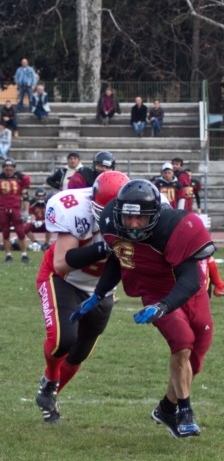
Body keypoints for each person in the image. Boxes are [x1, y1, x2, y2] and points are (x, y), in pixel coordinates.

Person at [73, 179, 215, 438]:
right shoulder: (111, 222)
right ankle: (185, 412)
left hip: (187, 293)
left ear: (155, 215)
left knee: (196, 359)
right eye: (128, 217)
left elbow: (191, 279)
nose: (133, 224)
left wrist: (165, 306)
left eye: (140, 218)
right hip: (153, 292)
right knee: (183, 344)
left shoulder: (174, 227)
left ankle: (166, 409)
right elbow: (120, 258)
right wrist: (99, 294)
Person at [33, 171, 130, 422]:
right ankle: (50, 378)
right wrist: (103, 248)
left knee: (80, 353)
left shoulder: (140, 213)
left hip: (101, 288)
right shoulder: (75, 210)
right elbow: (61, 263)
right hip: (63, 279)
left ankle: (50, 395)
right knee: (63, 341)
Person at [0, 158, 31, 263]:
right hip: (3, 209)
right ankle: (8, 255)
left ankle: (24, 255)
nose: (8, 168)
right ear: (3, 168)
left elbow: (25, 196)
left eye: (10, 166)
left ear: (14, 168)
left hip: (16, 208)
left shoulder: (21, 178)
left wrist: (26, 211)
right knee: (5, 232)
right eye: (6, 166)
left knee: (21, 232)